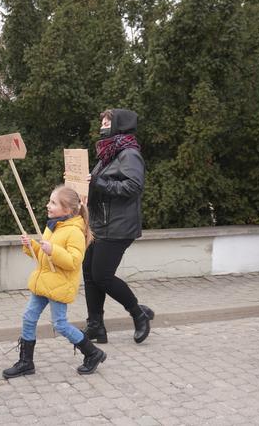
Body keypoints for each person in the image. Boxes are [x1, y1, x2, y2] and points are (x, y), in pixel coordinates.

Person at [3, 186, 106, 379]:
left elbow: (74, 262)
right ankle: (26, 362)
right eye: (50, 201)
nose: (47, 205)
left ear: (67, 210)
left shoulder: (74, 231)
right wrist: (31, 245)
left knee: (60, 324)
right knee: (28, 317)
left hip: (59, 285)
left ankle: (92, 353)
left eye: (53, 203)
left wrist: (52, 251)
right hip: (44, 283)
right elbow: (43, 254)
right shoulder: (53, 225)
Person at [82, 109, 154, 345]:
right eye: (101, 121)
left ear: (120, 125)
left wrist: (98, 182)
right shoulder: (108, 154)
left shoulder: (129, 154)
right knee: (90, 275)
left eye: (107, 122)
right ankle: (96, 326)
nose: (102, 125)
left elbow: (133, 187)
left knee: (102, 276)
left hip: (118, 226)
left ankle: (137, 313)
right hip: (98, 224)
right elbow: (98, 184)